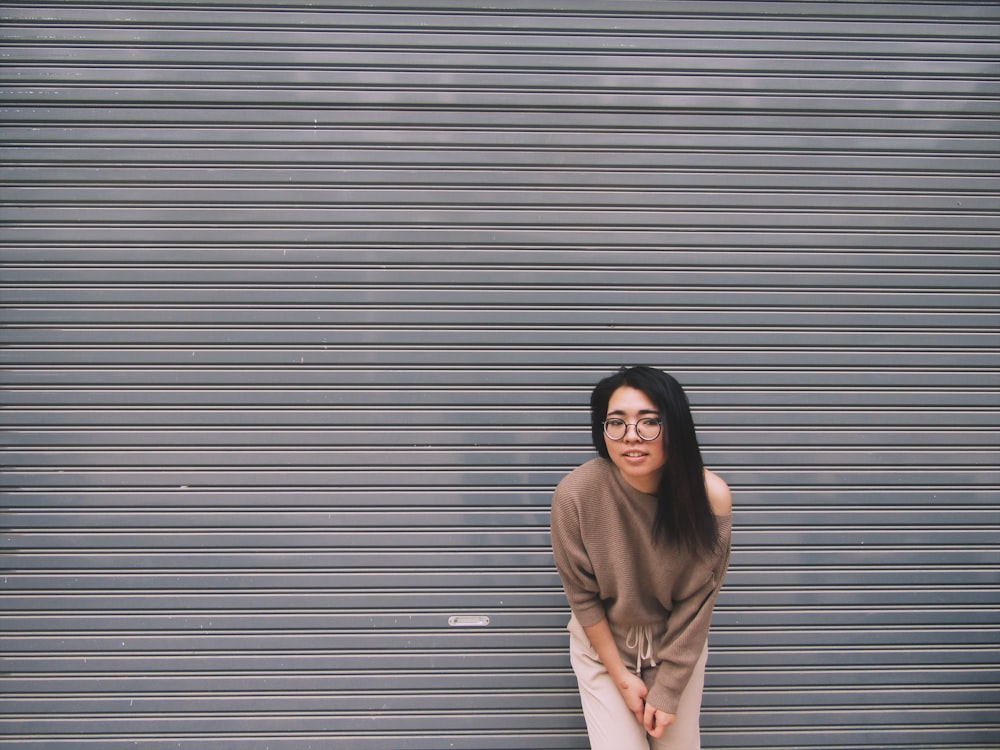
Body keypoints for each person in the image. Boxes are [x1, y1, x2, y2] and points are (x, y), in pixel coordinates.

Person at [550, 365, 732, 750]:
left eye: (649, 422)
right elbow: (582, 596)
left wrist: (666, 690)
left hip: (677, 646)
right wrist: (621, 676)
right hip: (604, 649)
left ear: (675, 426)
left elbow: (698, 602)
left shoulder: (710, 496)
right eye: (616, 422)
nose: (631, 436)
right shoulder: (576, 495)